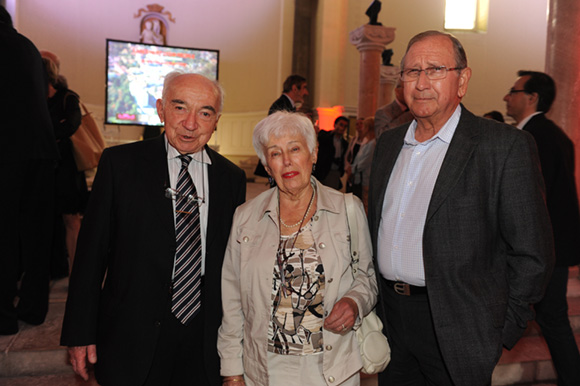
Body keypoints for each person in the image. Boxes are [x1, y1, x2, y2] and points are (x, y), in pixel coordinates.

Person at [368, 30, 554, 386]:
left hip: (459, 327)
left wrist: (498, 330)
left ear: (462, 80)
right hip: (391, 322)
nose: (421, 83)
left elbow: (533, 253)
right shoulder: (389, 144)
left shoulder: (503, 147)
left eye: (435, 69)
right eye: (411, 72)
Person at [60, 71, 247, 386]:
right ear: (161, 109)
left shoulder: (231, 178)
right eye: (180, 108)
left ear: (217, 120)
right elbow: (91, 256)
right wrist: (80, 332)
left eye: (205, 112)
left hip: (203, 338)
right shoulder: (120, 164)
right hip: (131, 335)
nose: (191, 123)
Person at [218, 111, 377, 386]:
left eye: (295, 149)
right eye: (275, 153)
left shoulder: (348, 209)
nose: (287, 161)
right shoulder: (245, 217)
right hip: (264, 369)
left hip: (333, 369)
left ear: (313, 154)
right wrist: (232, 371)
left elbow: (368, 277)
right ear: (267, 166)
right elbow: (232, 300)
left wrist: (355, 302)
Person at [504, 70, 580, 385]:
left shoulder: (532, 137)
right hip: (553, 247)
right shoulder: (552, 133)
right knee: (552, 318)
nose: (506, 96)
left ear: (532, 97)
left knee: (553, 319)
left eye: (513, 90)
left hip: (544, 249)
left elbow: (533, 199)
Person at [0, 5, 59, 335]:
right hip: (41, 151)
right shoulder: (25, 45)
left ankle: (3, 316)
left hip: (7, 151)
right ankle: (34, 309)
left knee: (4, 235)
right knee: (36, 236)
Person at [42, 52, 88, 276]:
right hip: (43, 168)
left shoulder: (68, 97)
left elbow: (71, 124)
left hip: (66, 169)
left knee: (71, 219)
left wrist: (47, 134)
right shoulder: (36, 99)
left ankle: (77, 275)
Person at [255, 75, 310, 183]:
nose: (306, 92)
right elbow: (279, 135)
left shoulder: (287, 105)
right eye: (304, 88)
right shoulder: (281, 106)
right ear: (295, 88)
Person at [345, 117, 375, 212]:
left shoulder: (372, 143)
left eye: (364, 126)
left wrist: (352, 169)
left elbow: (365, 161)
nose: (362, 128)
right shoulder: (366, 142)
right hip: (358, 177)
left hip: (365, 178)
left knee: (364, 204)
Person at [314, 116, 349, 190]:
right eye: (341, 125)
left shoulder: (344, 143)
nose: (342, 128)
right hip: (321, 170)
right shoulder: (324, 135)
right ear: (335, 125)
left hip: (334, 172)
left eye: (345, 126)